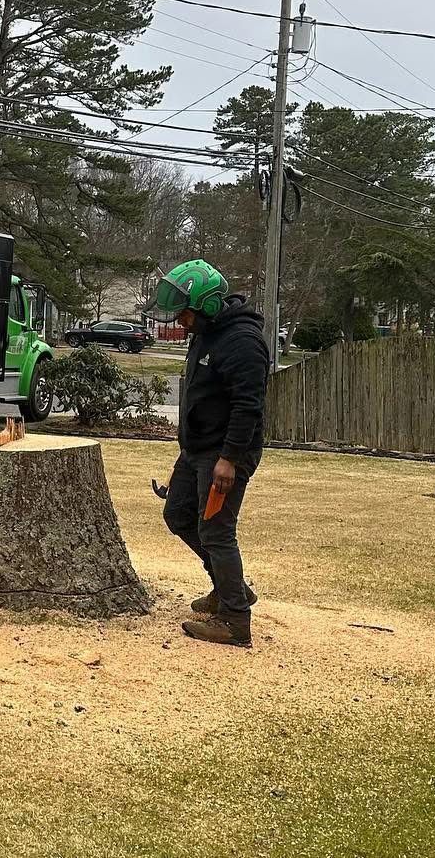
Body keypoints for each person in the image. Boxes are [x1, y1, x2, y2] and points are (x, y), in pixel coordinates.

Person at [148, 258, 268, 648]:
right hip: (199, 449)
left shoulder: (242, 342)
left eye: (184, 312)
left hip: (227, 453)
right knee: (178, 514)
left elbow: (248, 406)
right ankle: (227, 586)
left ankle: (235, 620)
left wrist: (229, 460)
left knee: (216, 532)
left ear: (208, 306)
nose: (180, 320)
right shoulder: (205, 333)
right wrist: (185, 452)